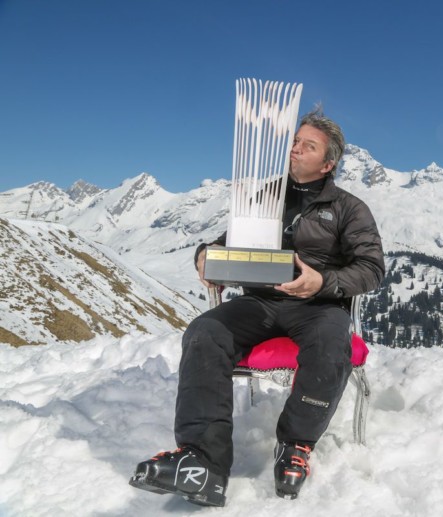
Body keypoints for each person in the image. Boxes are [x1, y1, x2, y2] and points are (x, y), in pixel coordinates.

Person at [129, 109, 385, 507]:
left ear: (328, 163)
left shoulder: (349, 209)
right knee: (204, 333)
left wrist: (322, 282)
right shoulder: (265, 198)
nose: (295, 148)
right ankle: (203, 462)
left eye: (308, 145)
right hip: (258, 303)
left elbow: (371, 269)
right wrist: (204, 257)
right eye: (295, 141)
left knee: (332, 345)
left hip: (318, 305)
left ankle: (297, 444)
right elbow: (222, 245)